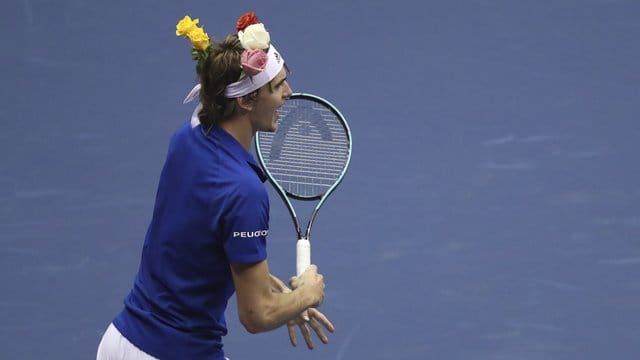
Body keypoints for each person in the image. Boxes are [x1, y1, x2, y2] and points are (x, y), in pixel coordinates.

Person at [96, 12, 334, 360]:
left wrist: (276, 289)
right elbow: (256, 316)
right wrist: (306, 294)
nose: (288, 94)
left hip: (119, 342)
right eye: (276, 85)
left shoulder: (188, 136)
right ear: (246, 101)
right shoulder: (244, 192)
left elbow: (205, 239)